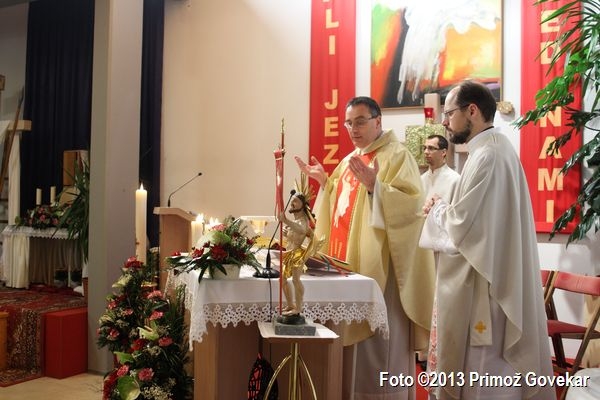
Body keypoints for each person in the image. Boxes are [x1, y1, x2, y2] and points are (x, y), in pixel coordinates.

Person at [421, 80, 554, 399]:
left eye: (449, 113)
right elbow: (475, 220)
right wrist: (446, 209)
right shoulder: (491, 149)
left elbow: (463, 227)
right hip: (492, 278)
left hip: (487, 289)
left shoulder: (488, 156)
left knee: (485, 374)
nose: (444, 122)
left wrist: (437, 209)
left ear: (472, 111)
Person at [295, 96, 435, 399]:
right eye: (349, 123)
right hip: (349, 267)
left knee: (379, 351)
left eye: (360, 121)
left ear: (378, 121)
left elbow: (413, 208)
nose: (353, 129)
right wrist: (326, 184)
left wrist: (377, 188)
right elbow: (343, 207)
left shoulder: (397, 155)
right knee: (351, 356)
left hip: (382, 272)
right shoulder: (350, 160)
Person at [278, 191, 321, 319]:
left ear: (303, 205)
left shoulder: (304, 220)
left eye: (295, 201)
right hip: (289, 254)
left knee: (296, 280)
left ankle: (298, 308)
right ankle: (290, 304)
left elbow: (302, 230)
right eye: (292, 201)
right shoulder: (295, 221)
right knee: (282, 280)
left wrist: (286, 221)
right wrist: (287, 233)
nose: (292, 203)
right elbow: (294, 235)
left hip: (297, 254)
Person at [420, 134, 460, 202]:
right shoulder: (421, 179)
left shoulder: (455, 180)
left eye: (431, 148)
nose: (426, 152)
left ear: (443, 152)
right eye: (424, 148)